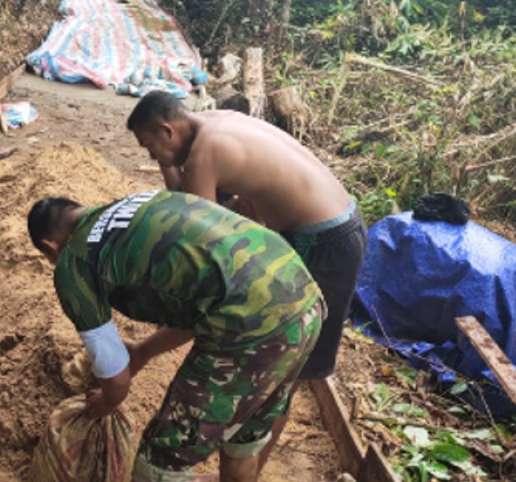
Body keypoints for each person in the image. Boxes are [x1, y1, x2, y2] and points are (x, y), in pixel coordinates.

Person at [127, 91, 366, 465]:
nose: (151, 157)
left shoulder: (205, 153)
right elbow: (201, 199)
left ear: (167, 129)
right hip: (328, 223)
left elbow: (196, 225)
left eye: (150, 147)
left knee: (286, 368)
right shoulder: (213, 121)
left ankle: (250, 470)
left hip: (323, 240)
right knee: (278, 351)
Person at [28, 190, 324, 482]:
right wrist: (144, 350)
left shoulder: (74, 262)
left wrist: (106, 402)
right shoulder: (135, 205)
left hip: (249, 325)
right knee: (241, 437)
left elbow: (117, 382)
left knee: (158, 463)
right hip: (302, 298)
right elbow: (202, 303)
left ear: (51, 247)